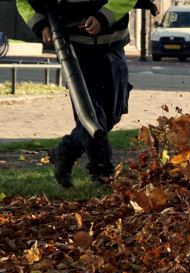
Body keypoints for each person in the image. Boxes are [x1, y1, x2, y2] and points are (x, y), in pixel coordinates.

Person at [16, 0, 137, 187]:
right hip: (75, 49)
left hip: (113, 44)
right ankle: (102, 174)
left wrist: (104, 16)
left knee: (113, 113)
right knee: (92, 114)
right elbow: (23, 1)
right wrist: (40, 25)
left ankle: (64, 151)